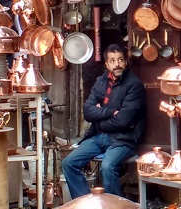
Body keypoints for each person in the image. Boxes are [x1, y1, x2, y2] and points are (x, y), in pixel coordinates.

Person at [62, 44, 145, 199]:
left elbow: (123, 121)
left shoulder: (134, 85)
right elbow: (87, 111)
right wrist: (110, 112)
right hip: (99, 137)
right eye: (112, 61)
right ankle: (85, 202)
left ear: (126, 62)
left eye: (120, 60)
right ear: (107, 64)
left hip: (124, 139)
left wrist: (99, 119)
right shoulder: (101, 81)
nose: (117, 64)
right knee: (68, 163)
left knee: (107, 167)